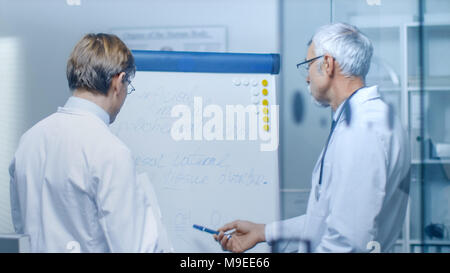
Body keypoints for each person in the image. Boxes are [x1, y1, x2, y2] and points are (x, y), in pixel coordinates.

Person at [214, 23, 411, 253]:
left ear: (327, 64)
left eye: (309, 65)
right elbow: (327, 218)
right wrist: (263, 232)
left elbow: (347, 241)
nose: (307, 78)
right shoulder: (363, 119)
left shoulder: (362, 129)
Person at [9, 33, 159, 252]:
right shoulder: (110, 151)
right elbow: (134, 247)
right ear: (118, 82)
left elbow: (21, 225)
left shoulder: (29, 140)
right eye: (129, 86)